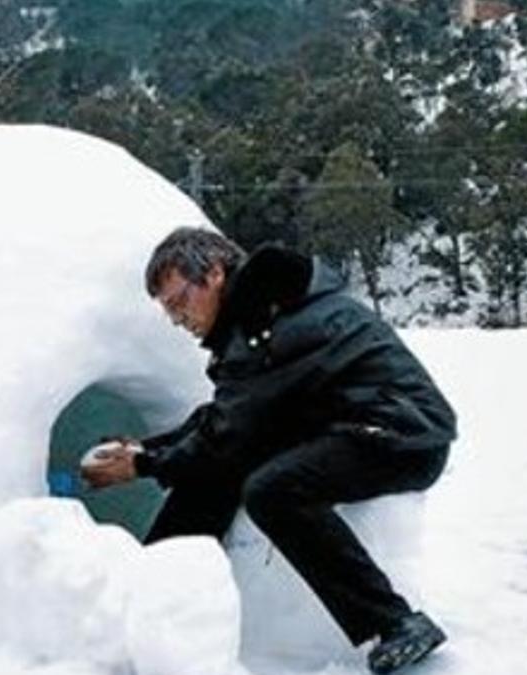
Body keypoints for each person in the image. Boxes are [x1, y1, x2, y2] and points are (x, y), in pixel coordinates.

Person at [82, 227, 456, 674]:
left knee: (273, 490)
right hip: (349, 422)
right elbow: (228, 417)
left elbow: (227, 434)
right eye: (168, 310)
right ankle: (152, 592)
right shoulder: (262, 311)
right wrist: (149, 448)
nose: (177, 319)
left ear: (215, 274)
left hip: (400, 432)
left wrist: (143, 465)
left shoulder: (268, 325)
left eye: (179, 302)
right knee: (224, 469)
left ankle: (395, 623)